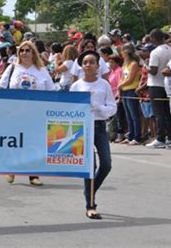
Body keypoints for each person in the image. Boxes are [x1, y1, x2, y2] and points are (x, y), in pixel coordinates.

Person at [0, 41, 55, 186]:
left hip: (35, 113)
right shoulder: (12, 68)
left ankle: (33, 174)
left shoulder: (41, 70)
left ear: (33, 52)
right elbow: (1, 87)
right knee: (15, 141)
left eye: (27, 50)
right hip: (15, 112)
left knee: (34, 142)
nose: (24, 53)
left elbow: (51, 90)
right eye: (21, 50)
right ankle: (11, 169)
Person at [70, 50, 117, 219]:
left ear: (98, 66)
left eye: (92, 62)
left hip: (99, 126)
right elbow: (70, 108)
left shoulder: (103, 85)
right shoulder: (76, 86)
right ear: (81, 66)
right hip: (82, 128)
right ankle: (90, 205)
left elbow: (112, 107)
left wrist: (98, 107)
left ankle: (89, 190)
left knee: (106, 164)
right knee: (90, 167)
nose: (88, 65)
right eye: (85, 62)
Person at [145, 28, 171, 148]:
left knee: (159, 113)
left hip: (155, 84)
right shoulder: (170, 50)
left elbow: (153, 70)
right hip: (168, 84)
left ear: (153, 38)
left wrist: (145, 65)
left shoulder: (155, 52)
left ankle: (160, 138)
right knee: (168, 112)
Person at [118, 44, 142, 145]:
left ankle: (137, 136)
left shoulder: (134, 64)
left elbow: (130, 79)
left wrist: (120, 85)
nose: (121, 53)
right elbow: (123, 77)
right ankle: (130, 135)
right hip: (125, 90)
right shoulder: (125, 64)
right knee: (128, 115)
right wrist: (120, 87)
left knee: (134, 114)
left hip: (131, 90)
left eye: (122, 51)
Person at [135, 44, 156, 142]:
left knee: (152, 116)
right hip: (142, 93)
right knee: (146, 115)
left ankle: (154, 136)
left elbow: (149, 80)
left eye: (145, 51)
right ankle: (148, 135)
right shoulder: (145, 62)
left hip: (147, 92)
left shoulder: (151, 63)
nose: (142, 53)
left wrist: (140, 88)